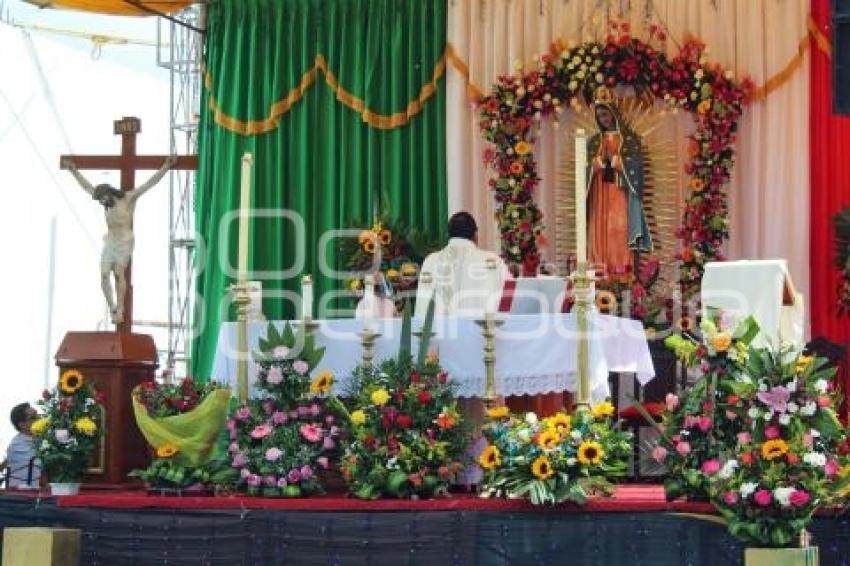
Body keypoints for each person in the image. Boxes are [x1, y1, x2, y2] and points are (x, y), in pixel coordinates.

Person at [63, 155, 177, 324]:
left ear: (109, 193)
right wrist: (73, 170)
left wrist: (165, 167)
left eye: (103, 198)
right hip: (110, 240)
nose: (102, 202)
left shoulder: (127, 198)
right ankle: (112, 307)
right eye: (100, 200)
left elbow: (149, 184)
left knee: (118, 273)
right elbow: (86, 186)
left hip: (124, 240)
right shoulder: (105, 204)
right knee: (103, 275)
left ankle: (120, 308)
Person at [586, 87, 652, 274]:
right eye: (600, 116)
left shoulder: (629, 139)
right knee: (599, 229)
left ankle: (620, 270)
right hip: (599, 192)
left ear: (614, 113)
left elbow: (636, 167)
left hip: (620, 190)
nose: (604, 119)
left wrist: (617, 162)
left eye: (606, 114)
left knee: (619, 227)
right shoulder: (593, 141)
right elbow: (584, 168)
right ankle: (599, 268)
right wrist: (597, 163)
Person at [415, 212, 509, 319]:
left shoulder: (431, 261)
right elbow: (508, 302)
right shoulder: (493, 261)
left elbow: (422, 306)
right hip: (483, 333)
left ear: (448, 234)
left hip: (443, 333)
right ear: (475, 235)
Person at [4, 403, 41, 489]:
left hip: (38, 493)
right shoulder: (17, 445)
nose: (39, 419)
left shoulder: (40, 439)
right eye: (33, 418)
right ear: (22, 425)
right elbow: (43, 464)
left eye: (38, 415)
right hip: (20, 496)